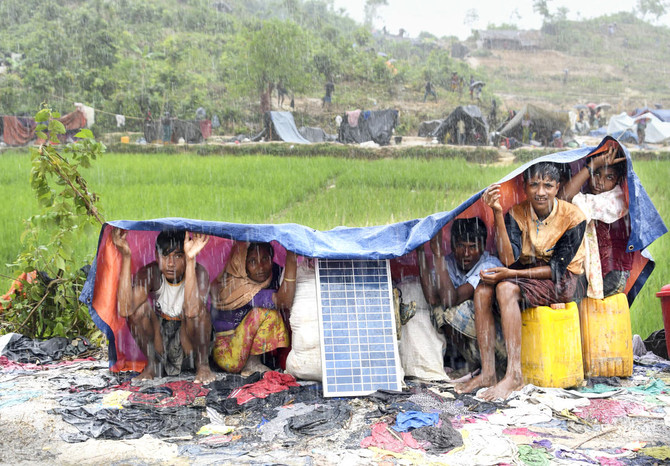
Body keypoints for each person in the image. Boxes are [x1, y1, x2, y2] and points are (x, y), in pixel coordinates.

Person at [456, 162, 586, 400]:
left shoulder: (573, 217)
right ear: (525, 187)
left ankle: (514, 374)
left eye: (548, 185)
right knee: (483, 290)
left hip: (564, 280)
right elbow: (508, 259)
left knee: (505, 289)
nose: (540, 191)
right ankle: (488, 373)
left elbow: (557, 270)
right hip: (527, 273)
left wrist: (511, 276)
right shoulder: (516, 213)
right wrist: (497, 211)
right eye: (534, 184)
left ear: (557, 188)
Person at [112, 228, 215, 384]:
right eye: (165, 256)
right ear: (156, 256)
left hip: (188, 340)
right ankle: (153, 365)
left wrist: (190, 260)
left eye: (178, 256)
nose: (170, 264)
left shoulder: (199, 272)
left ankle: (203, 366)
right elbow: (125, 310)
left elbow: (193, 310)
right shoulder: (151, 273)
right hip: (162, 337)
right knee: (138, 311)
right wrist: (126, 256)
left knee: (199, 313)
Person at [417, 218, 505, 371]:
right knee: (437, 310)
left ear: (483, 247)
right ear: (451, 245)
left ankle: (491, 367)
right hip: (469, 345)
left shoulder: (489, 265)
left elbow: (451, 300)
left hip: (497, 344)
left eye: (472, 247)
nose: (466, 253)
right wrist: (420, 251)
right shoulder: (450, 262)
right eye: (460, 246)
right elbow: (431, 298)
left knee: (456, 309)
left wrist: (438, 255)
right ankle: (471, 363)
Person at [210, 242, 297, 375]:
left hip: (238, 351)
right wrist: (291, 258)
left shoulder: (268, 275)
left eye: (265, 259)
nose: (261, 267)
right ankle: (252, 364)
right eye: (252, 261)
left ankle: (259, 361)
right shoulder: (239, 288)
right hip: (227, 355)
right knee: (267, 313)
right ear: (241, 264)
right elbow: (283, 302)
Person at [561, 144, 631, 299]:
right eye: (596, 174)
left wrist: (592, 166)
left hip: (613, 274)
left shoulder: (615, 200)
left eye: (609, 177)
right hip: (596, 271)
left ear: (618, 180)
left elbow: (564, 199)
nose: (600, 182)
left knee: (569, 297)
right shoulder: (590, 197)